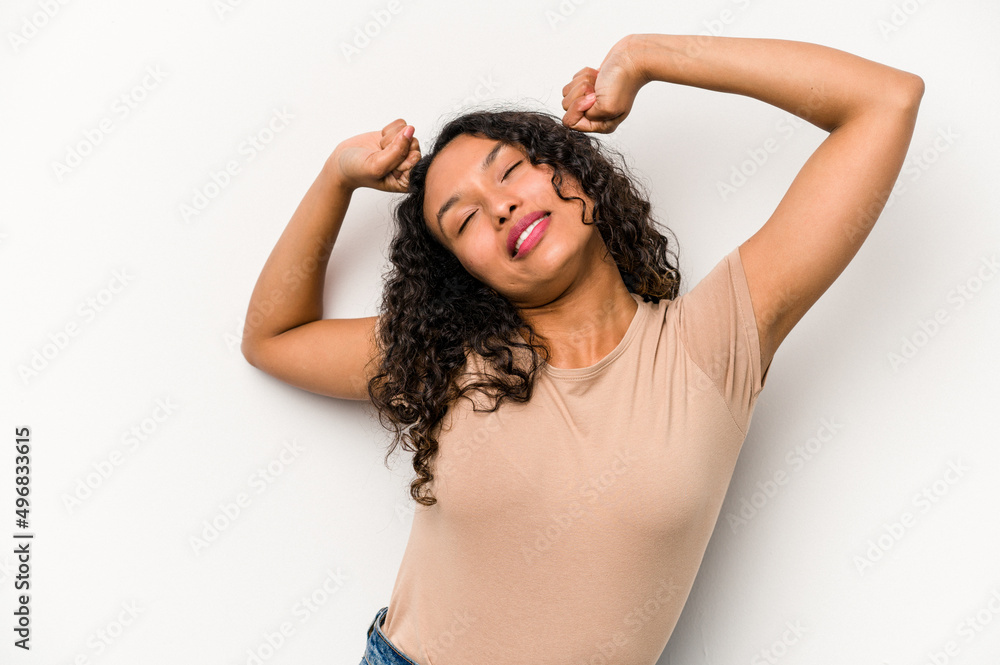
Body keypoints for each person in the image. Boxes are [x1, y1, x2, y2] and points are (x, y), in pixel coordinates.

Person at [240, 33, 922, 665]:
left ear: (573, 170)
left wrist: (647, 57)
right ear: (465, 272)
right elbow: (274, 336)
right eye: (465, 219)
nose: (500, 207)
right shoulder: (453, 358)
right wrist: (337, 178)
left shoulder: (711, 343)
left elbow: (885, 101)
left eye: (510, 170)